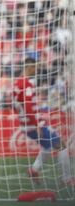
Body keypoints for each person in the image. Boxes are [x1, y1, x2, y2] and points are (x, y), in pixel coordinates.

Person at [13, 57, 74, 185]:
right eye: (34, 67)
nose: (36, 70)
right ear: (29, 67)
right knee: (61, 145)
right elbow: (28, 106)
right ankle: (67, 178)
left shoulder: (16, 83)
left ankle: (34, 169)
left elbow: (14, 105)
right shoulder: (26, 84)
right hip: (33, 124)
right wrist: (37, 125)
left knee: (47, 146)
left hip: (26, 124)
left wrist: (22, 117)